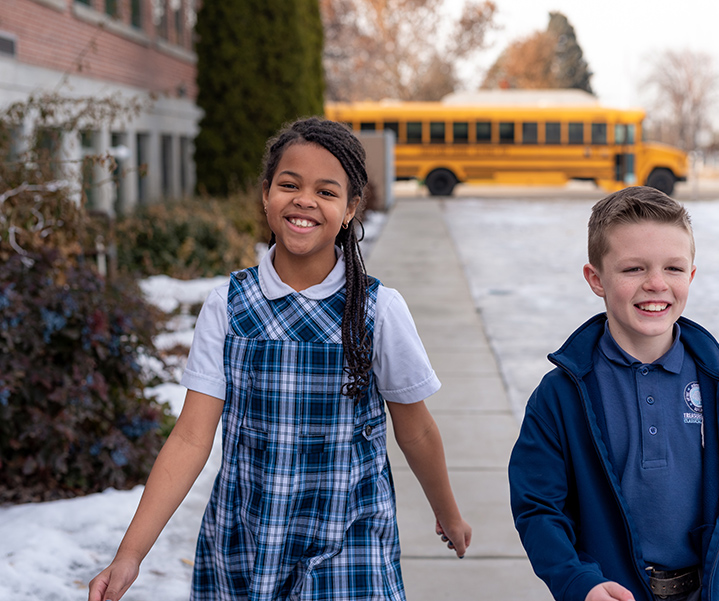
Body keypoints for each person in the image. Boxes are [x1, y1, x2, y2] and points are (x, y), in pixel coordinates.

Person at [89, 117, 471, 601]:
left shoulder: (379, 310)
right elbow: (190, 437)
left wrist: (448, 512)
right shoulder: (228, 305)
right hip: (248, 542)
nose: (304, 200)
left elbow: (415, 429)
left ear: (352, 208)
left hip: (350, 542)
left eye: (327, 192)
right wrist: (130, 555)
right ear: (266, 193)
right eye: (289, 184)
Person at [508, 186, 719, 601]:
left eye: (673, 269)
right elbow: (539, 509)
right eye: (633, 269)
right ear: (596, 278)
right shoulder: (560, 395)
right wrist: (578, 581)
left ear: (692, 276)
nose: (655, 284)